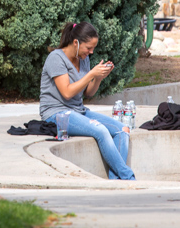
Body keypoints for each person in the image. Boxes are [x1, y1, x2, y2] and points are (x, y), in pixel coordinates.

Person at [39, 21, 135, 180]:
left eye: (93, 49)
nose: (90, 52)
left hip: (79, 111)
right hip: (57, 113)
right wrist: (91, 74)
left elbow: (88, 93)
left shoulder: (83, 58)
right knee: (101, 131)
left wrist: (98, 78)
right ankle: (128, 177)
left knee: (122, 130)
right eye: (88, 48)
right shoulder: (56, 58)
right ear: (75, 42)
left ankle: (115, 180)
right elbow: (67, 92)